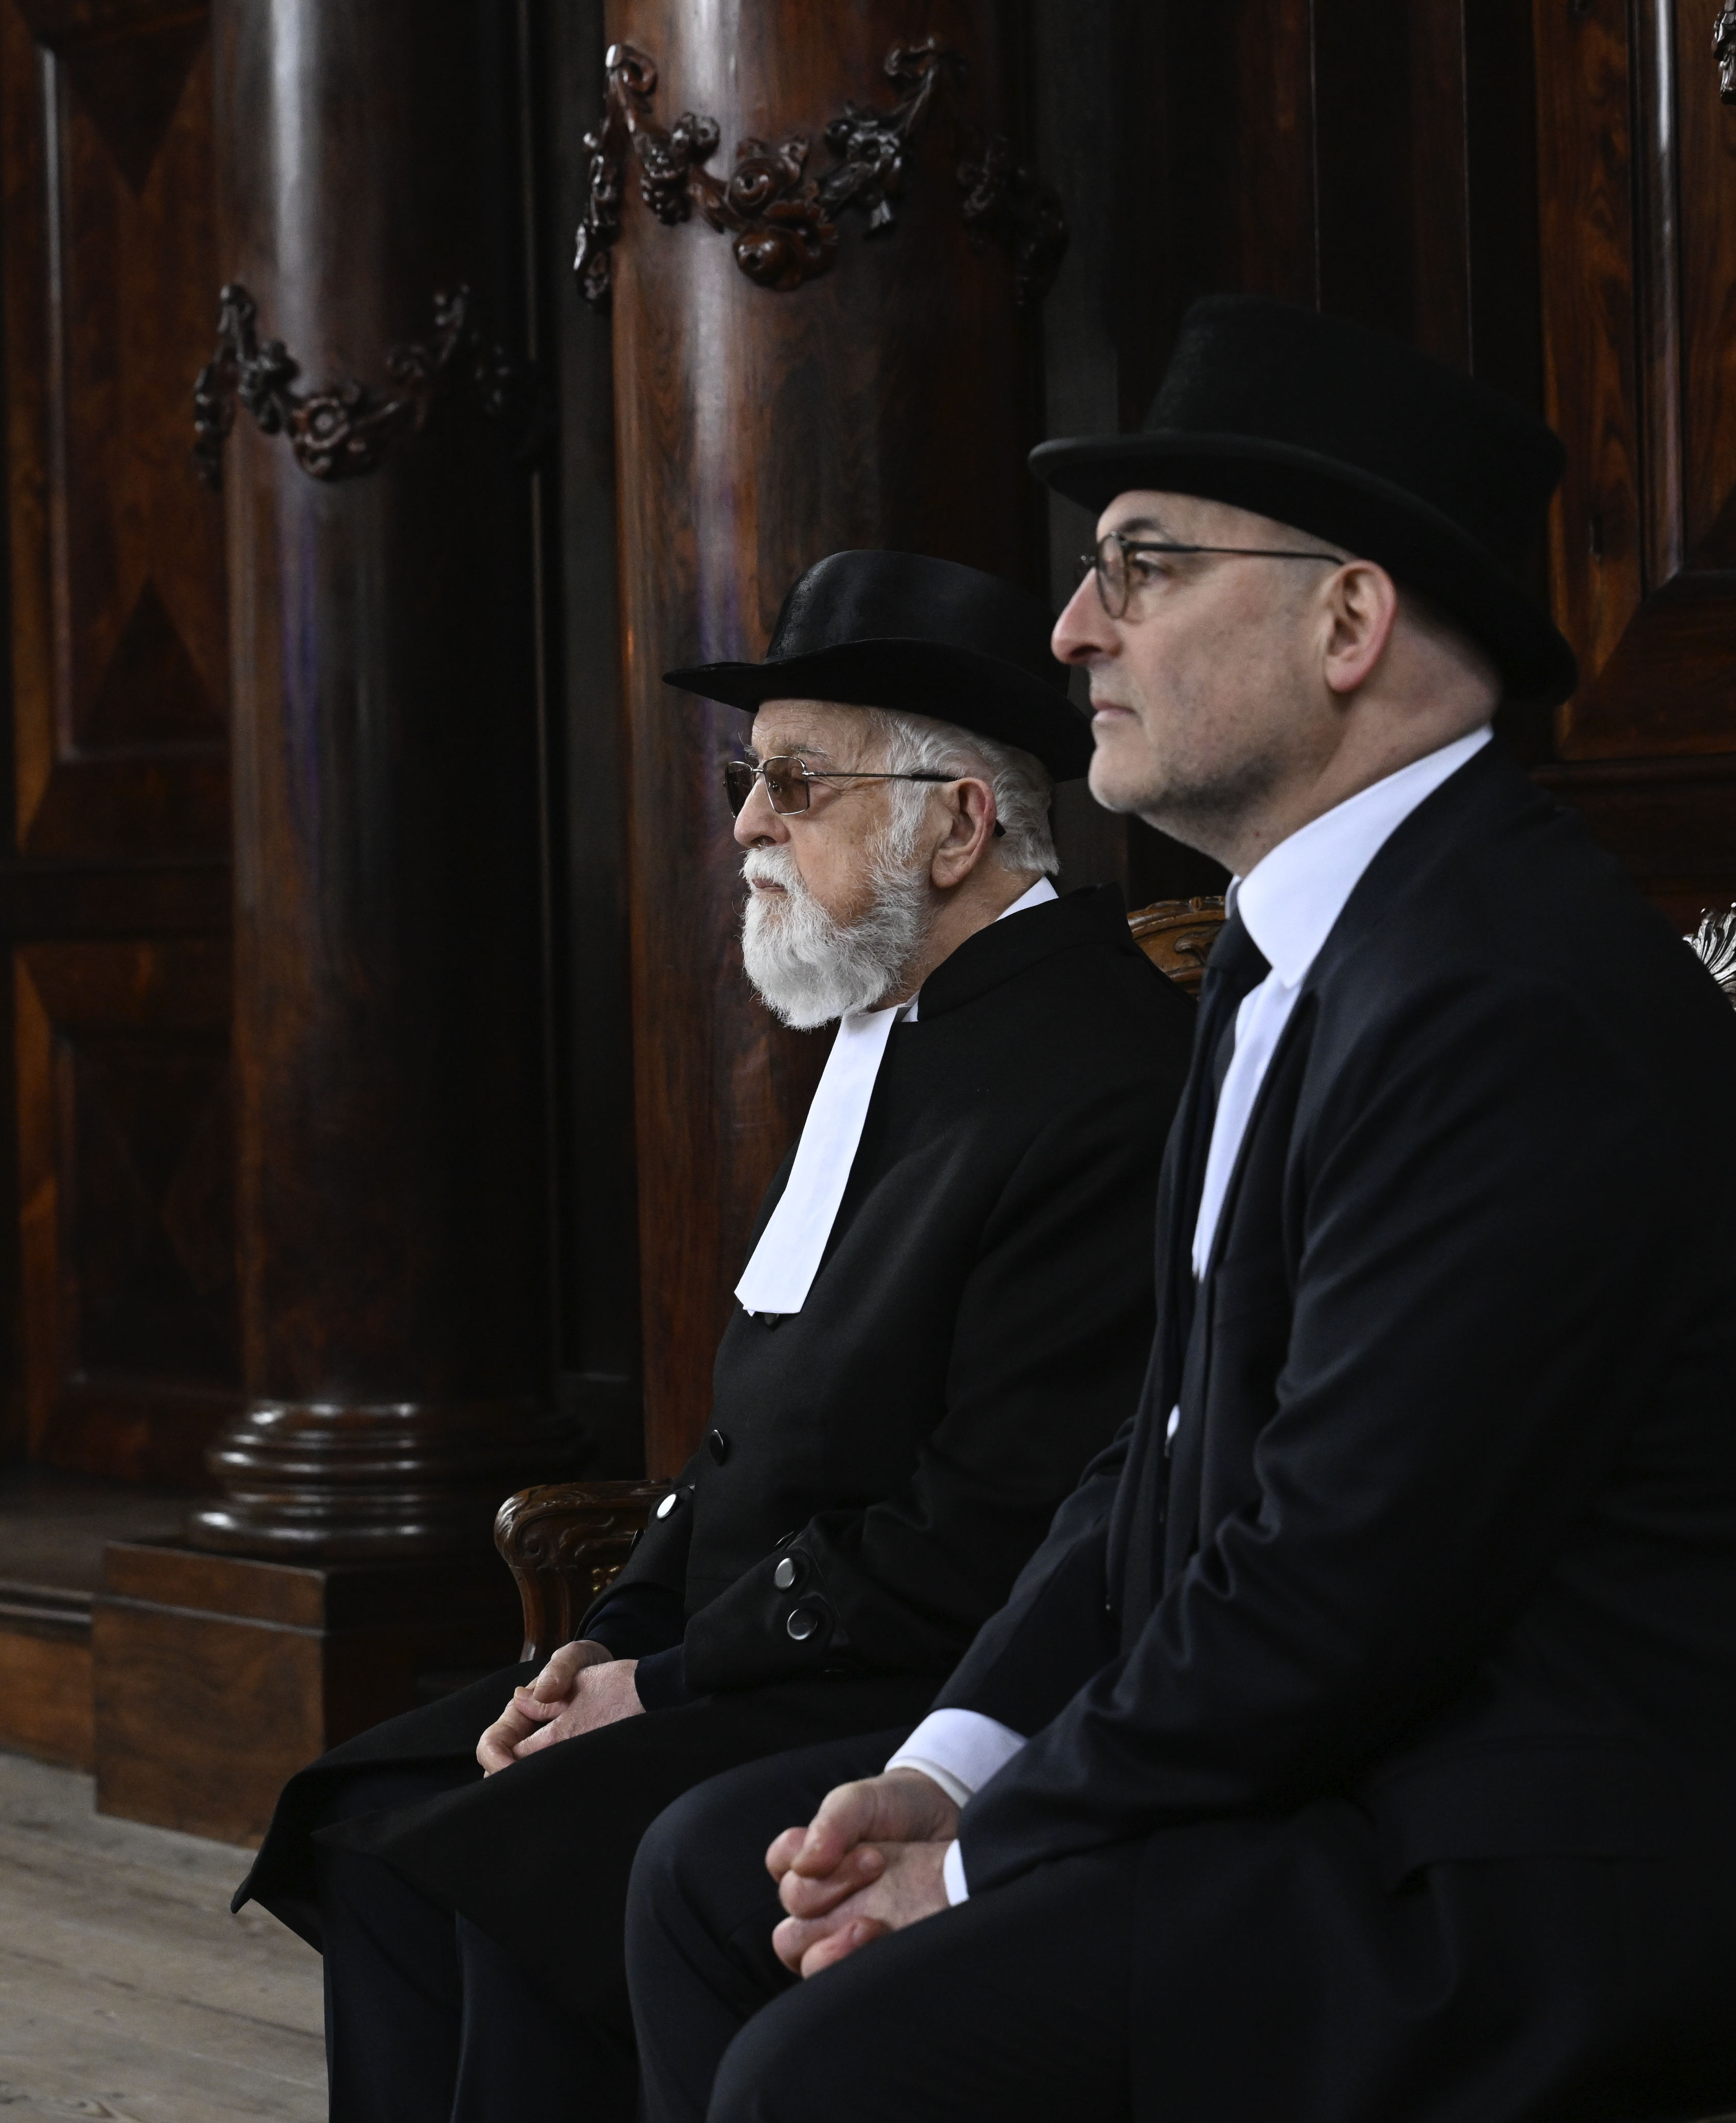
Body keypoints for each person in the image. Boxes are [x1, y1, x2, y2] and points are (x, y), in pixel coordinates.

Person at [624, 297, 1736, 2123]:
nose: (1072, 629)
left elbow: (1342, 1578)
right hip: (1372, 1774)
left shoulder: (1513, 996)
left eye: (1143, 567)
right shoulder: (1290, 953)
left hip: (1580, 1864)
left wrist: (988, 1857)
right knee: (707, 1878)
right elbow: (1159, 1459)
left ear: (1349, 622)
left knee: (826, 2072)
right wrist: (952, 1766)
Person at [226, 548, 1195, 2123]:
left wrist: (670, 1685)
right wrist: (610, 1638)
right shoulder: (889, 1030)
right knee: (364, 1818)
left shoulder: (1104, 1077)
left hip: (911, 1675)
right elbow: (749, 1434)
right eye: (748, 780)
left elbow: (989, 1527)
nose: (747, 823)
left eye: (797, 784)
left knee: (506, 1865)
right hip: (756, 1649)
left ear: (958, 826)